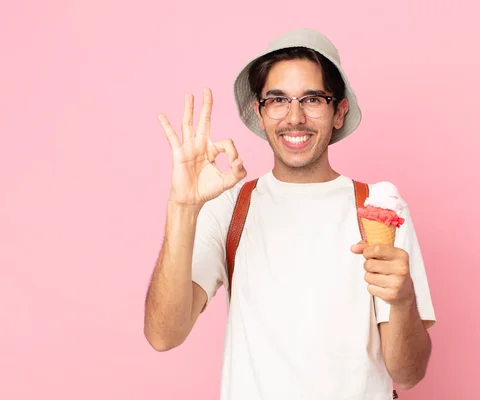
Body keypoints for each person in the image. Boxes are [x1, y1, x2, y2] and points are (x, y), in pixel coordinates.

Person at [144, 28, 436, 399]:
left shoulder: (379, 210)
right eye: (278, 100)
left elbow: (408, 374)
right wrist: (182, 208)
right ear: (260, 113)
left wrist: (403, 299)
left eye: (312, 99)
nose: (294, 118)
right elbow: (163, 335)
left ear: (338, 111)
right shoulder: (231, 208)